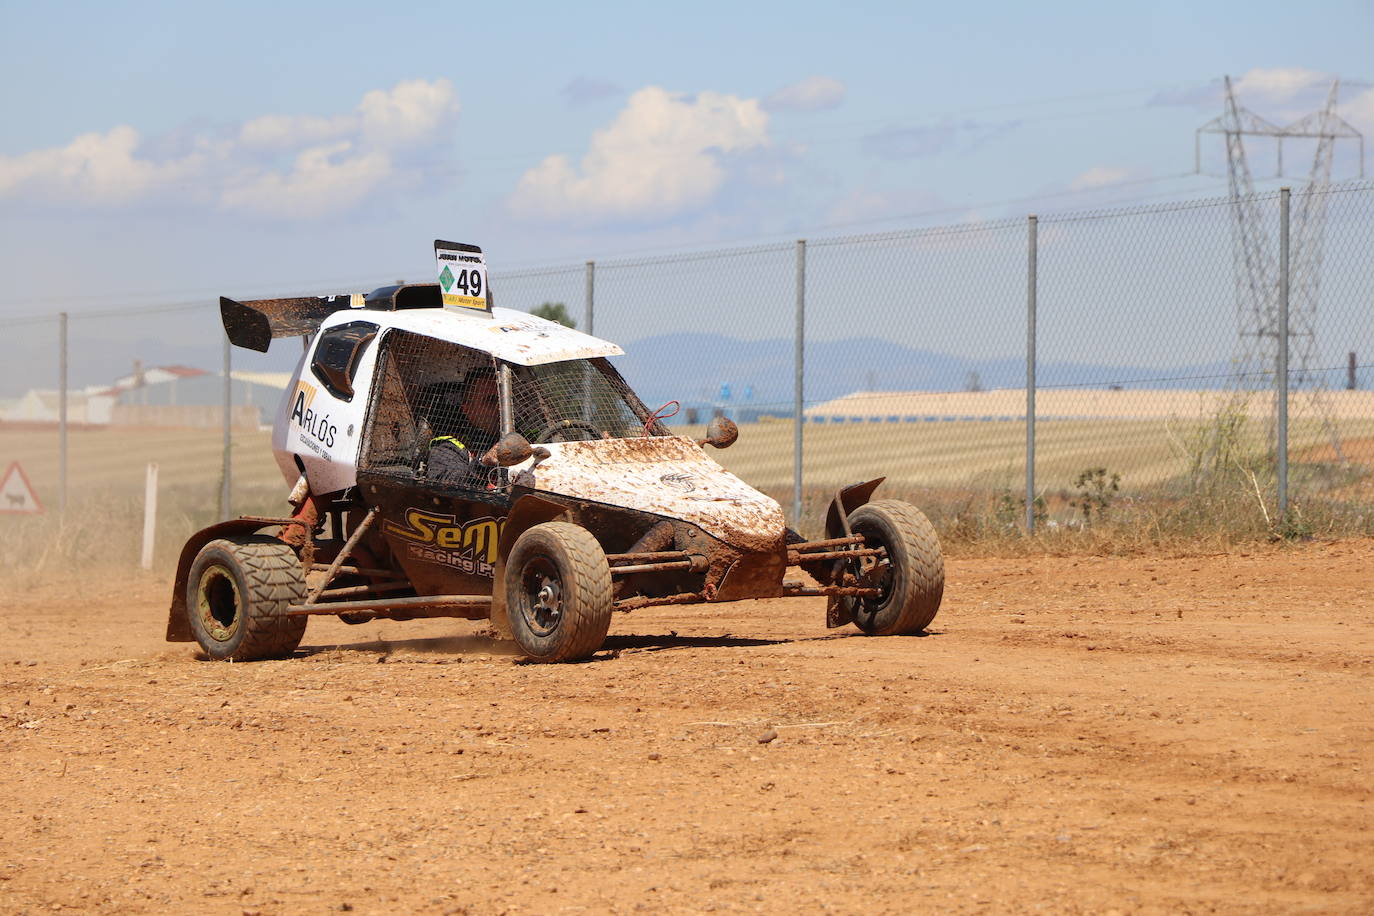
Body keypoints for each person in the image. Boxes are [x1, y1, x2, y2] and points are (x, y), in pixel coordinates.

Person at [422, 368, 503, 485]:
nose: (500, 408)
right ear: (468, 410)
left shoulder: (528, 438)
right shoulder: (449, 447)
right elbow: (447, 484)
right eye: (491, 401)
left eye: (505, 401)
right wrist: (483, 463)